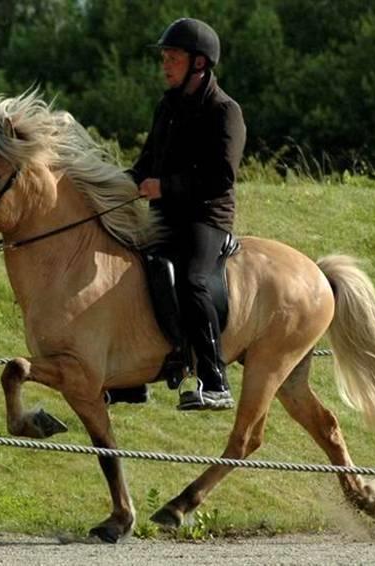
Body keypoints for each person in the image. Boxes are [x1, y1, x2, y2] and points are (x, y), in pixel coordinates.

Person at [129, 18, 246, 410]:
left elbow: (221, 177)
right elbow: (148, 161)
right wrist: (118, 184)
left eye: (172, 58)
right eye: (164, 57)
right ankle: (132, 376)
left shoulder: (224, 111)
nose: (165, 65)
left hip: (206, 218)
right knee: (127, 266)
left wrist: (165, 187)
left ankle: (215, 382)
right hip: (164, 215)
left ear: (199, 63)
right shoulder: (168, 106)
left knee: (193, 280)